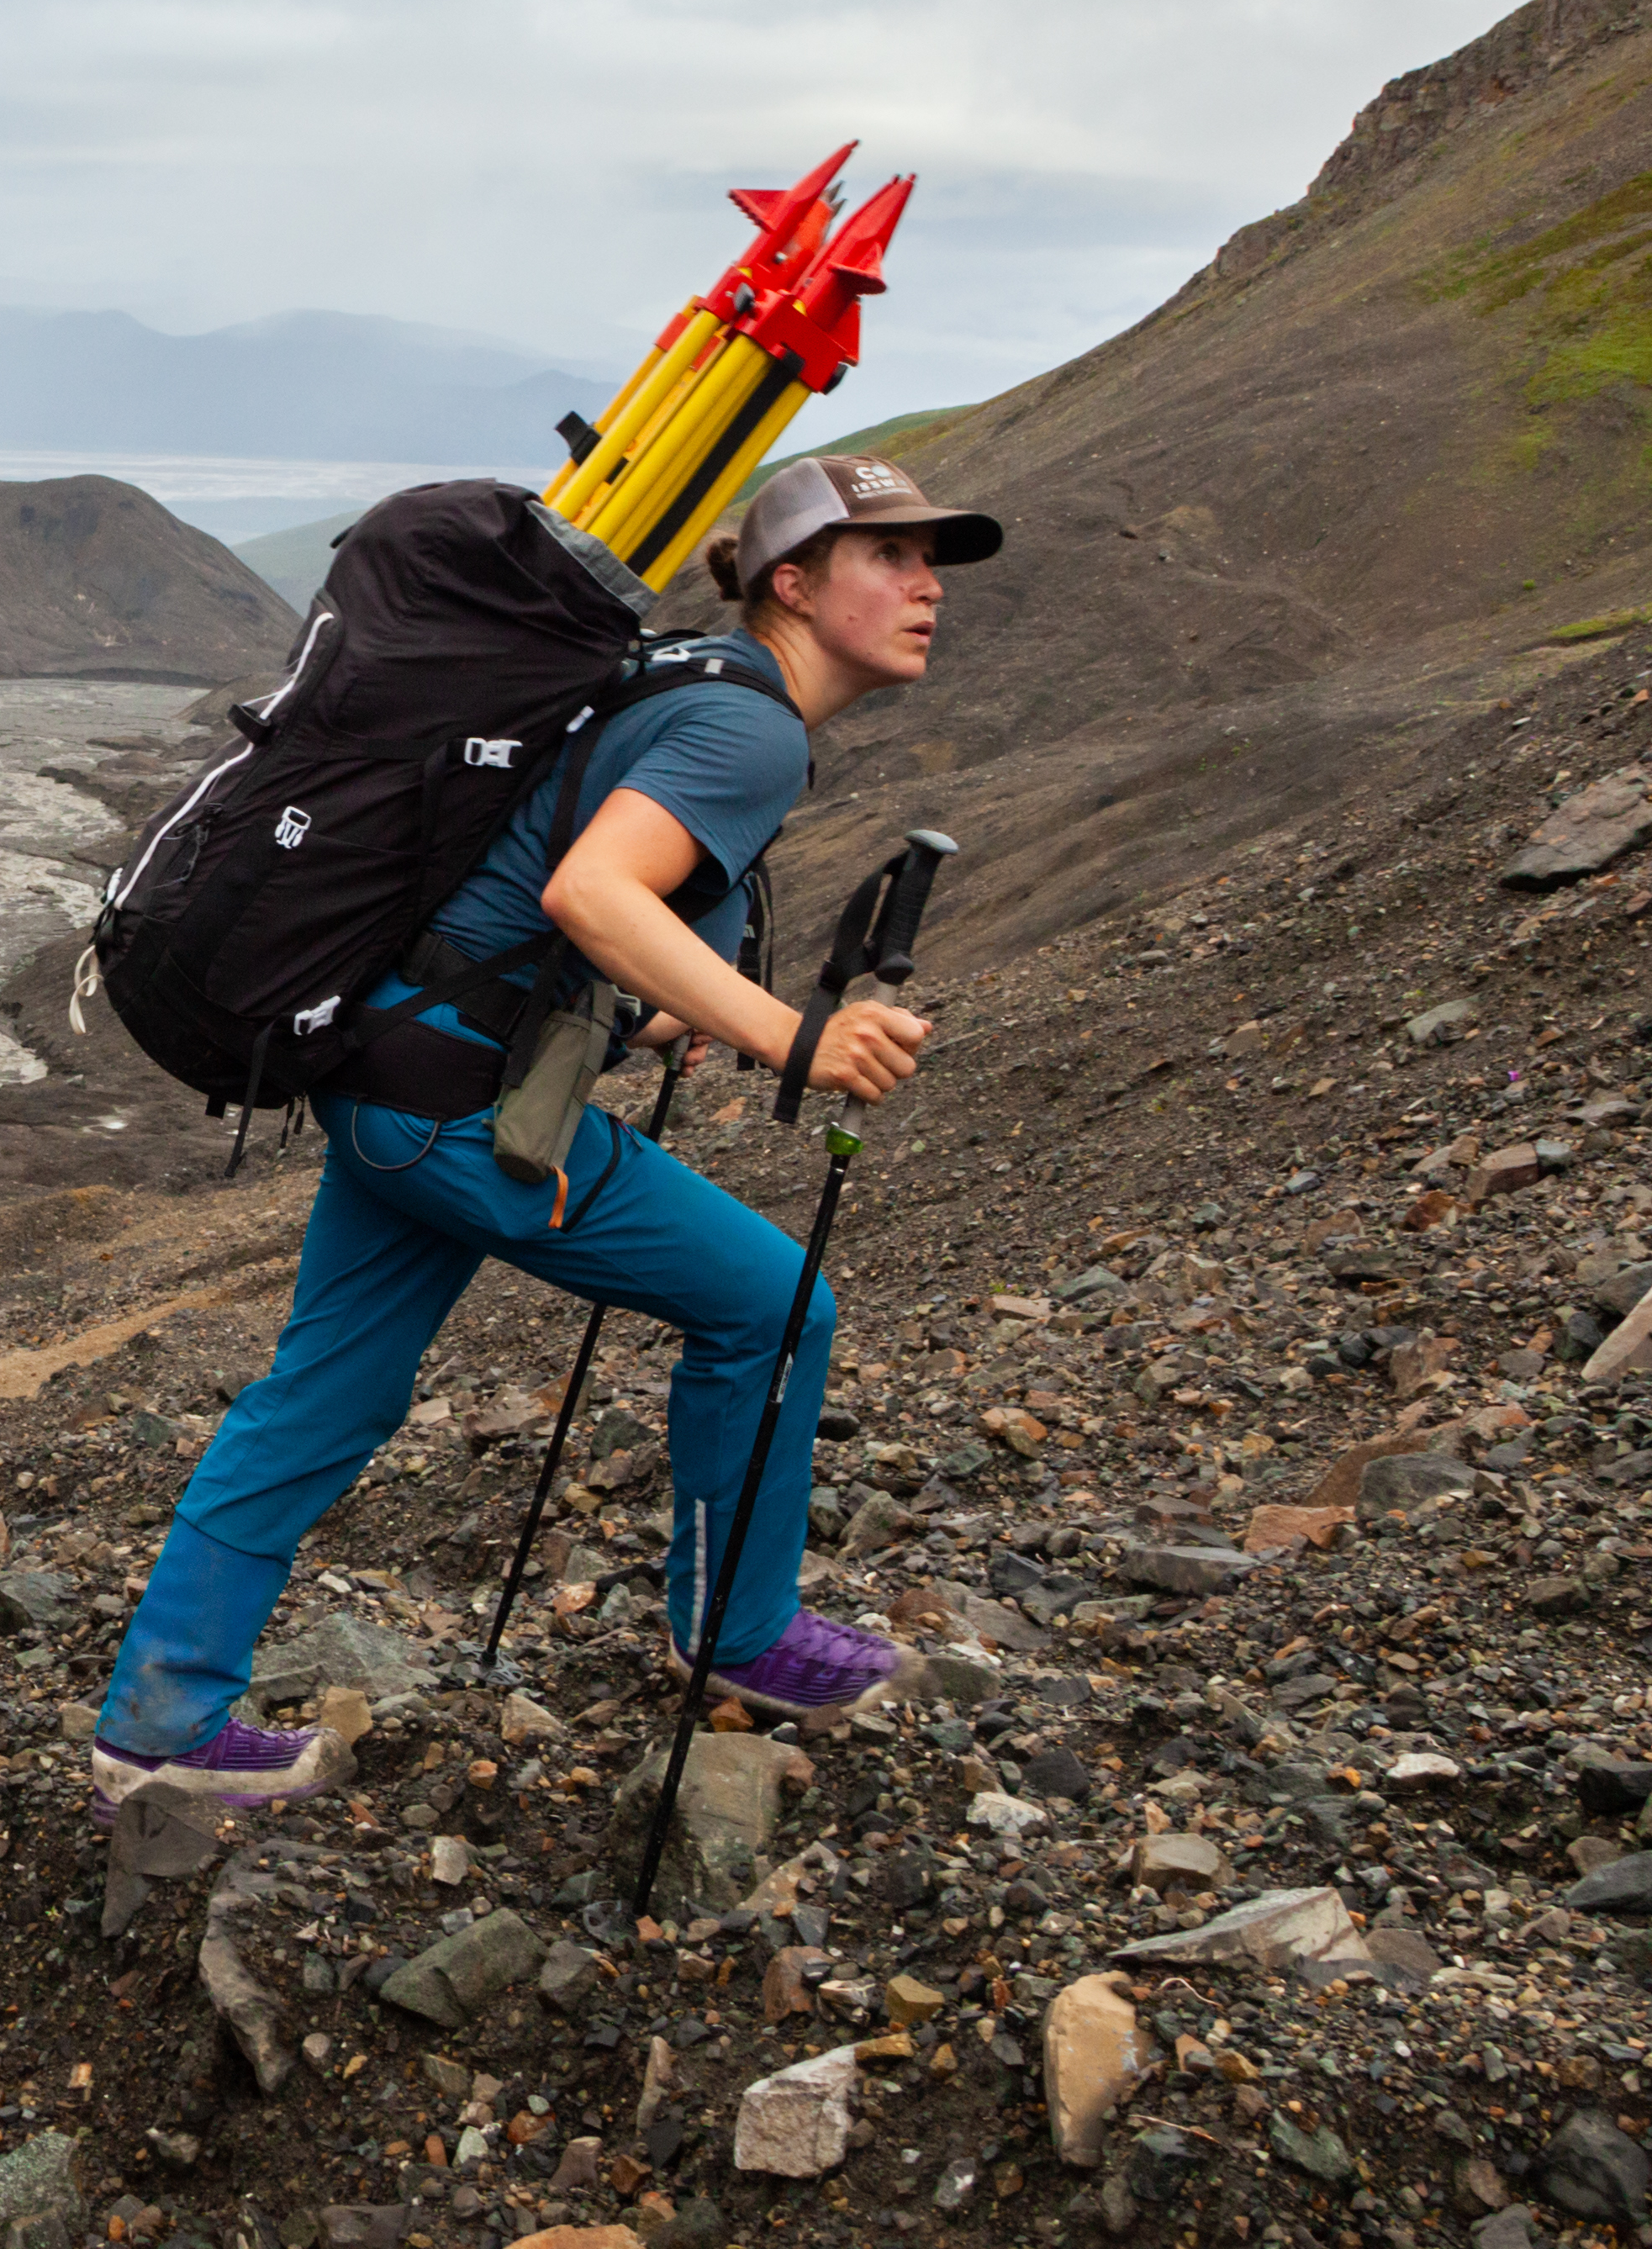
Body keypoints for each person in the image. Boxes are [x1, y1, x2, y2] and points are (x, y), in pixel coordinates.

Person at [87, 452, 1003, 1811]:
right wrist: (790, 1035)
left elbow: (517, 902)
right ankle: (738, 1633)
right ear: (794, 582)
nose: (927, 582)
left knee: (328, 1394)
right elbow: (591, 889)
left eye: (935, 555)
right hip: (453, 1109)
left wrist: (638, 1023)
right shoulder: (750, 727)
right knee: (775, 1305)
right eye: (890, 554)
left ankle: (158, 1724)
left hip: (392, 1071)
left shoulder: (682, 677)